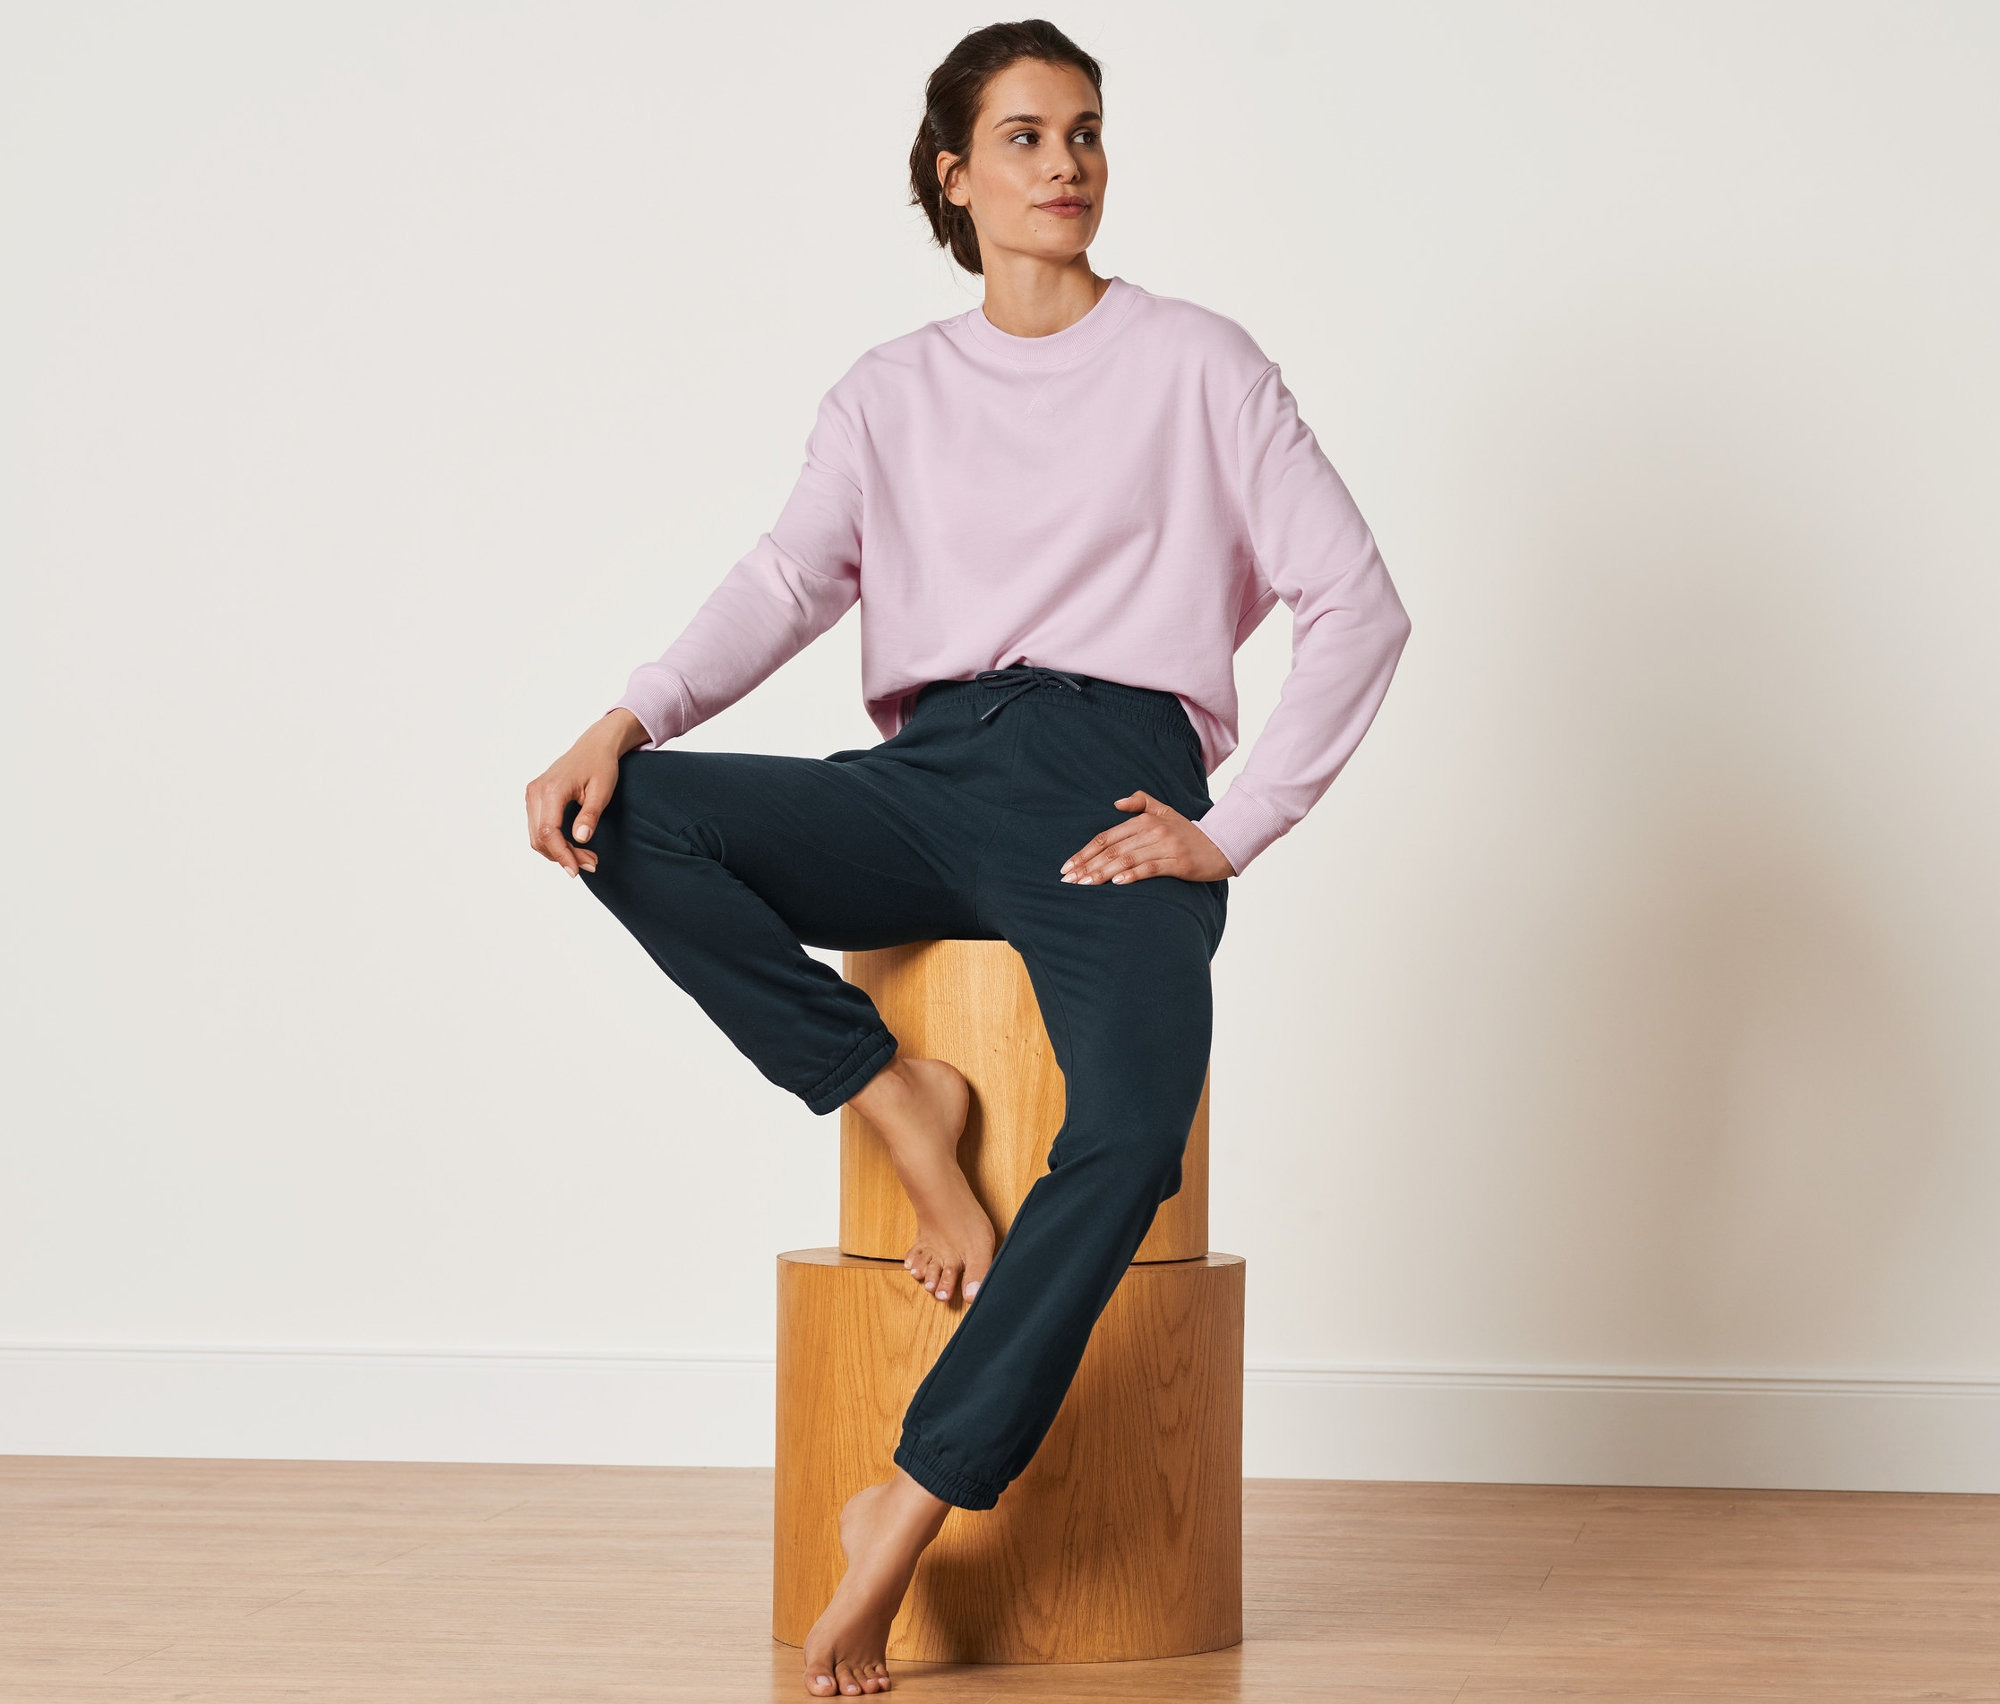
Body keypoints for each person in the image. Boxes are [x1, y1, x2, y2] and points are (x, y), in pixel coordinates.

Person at [523, 19, 1411, 1699]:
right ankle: (889, 1091)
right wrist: (622, 719)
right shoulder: (891, 391)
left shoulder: (1200, 363)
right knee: (623, 815)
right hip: (929, 774)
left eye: (1086, 132)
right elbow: (788, 583)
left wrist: (1230, 830)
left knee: (1131, 1137)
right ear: (954, 177)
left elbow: (1359, 603)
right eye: (1023, 136)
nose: (1064, 163)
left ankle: (911, 1505)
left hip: (1109, 787)